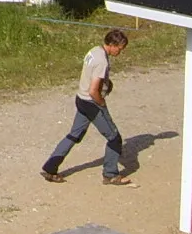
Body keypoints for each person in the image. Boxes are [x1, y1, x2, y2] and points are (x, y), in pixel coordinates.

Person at [41, 28, 131, 185]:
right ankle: (110, 174)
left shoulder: (94, 51)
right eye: (120, 48)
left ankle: (50, 168)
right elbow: (93, 90)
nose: (120, 52)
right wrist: (101, 103)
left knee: (73, 135)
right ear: (112, 44)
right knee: (114, 138)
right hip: (92, 103)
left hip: (81, 99)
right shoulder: (102, 61)